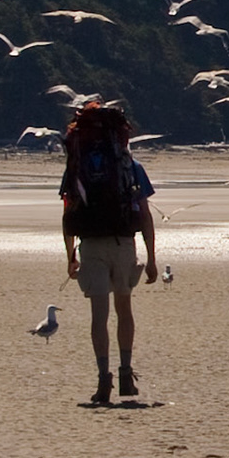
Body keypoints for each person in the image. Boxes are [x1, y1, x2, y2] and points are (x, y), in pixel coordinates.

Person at [59, 100, 156, 404]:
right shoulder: (129, 165)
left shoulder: (78, 163)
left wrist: (70, 255)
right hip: (123, 244)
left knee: (98, 317)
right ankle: (126, 375)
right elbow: (144, 212)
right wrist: (152, 258)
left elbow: (67, 211)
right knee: (124, 310)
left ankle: (104, 381)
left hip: (91, 246)